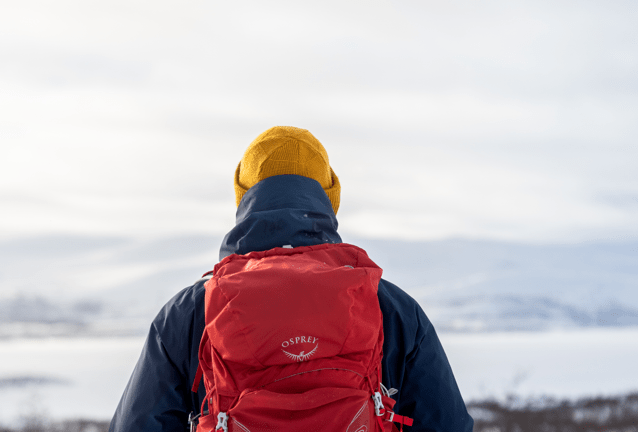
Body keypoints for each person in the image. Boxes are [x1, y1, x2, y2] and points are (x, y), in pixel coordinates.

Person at [110, 126, 473, 432]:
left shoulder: (191, 312)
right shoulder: (391, 308)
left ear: (243, 200)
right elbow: (448, 424)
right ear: (330, 200)